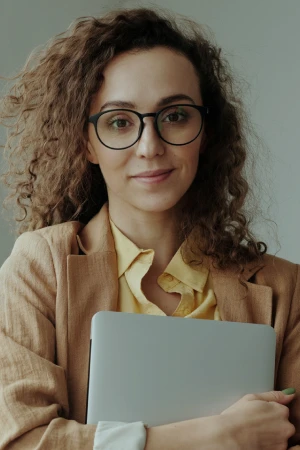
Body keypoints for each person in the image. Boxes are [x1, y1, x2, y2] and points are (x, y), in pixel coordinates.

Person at [0, 6, 299, 450]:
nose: (150, 146)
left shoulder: (284, 288)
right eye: (120, 122)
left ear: (207, 131)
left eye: (176, 115)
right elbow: (22, 439)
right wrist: (214, 436)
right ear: (86, 143)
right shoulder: (39, 267)